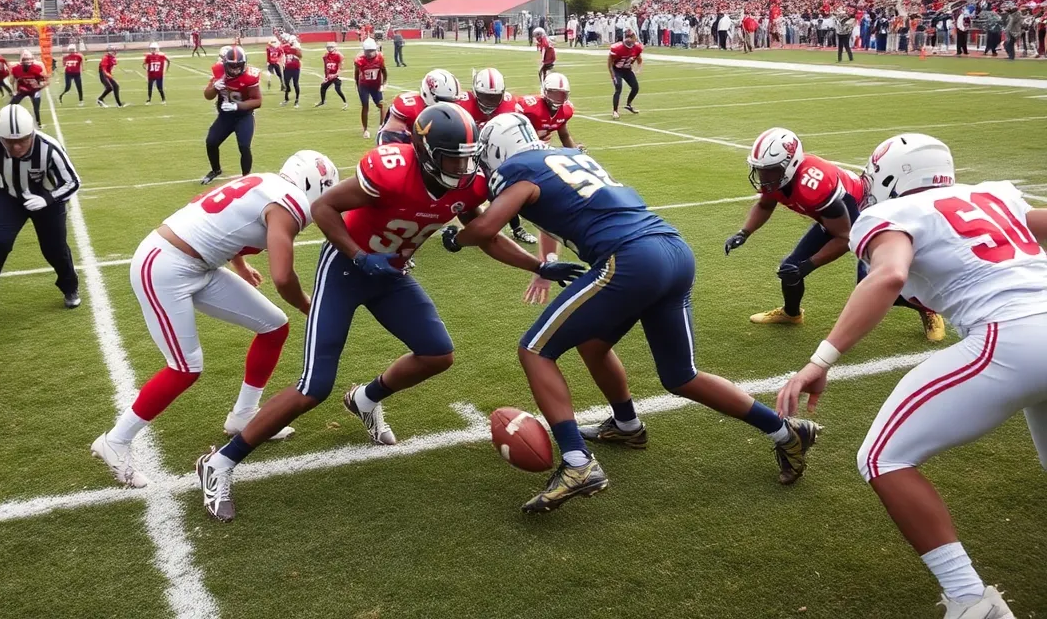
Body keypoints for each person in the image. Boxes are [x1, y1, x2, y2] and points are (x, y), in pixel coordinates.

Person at [195, 103, 557, 522]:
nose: (463, 168)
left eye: (467, 158)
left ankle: (365, 398)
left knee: (437, 353)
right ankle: (220, 462)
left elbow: (486, 236)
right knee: (314, 387)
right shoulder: (391, 169)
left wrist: (538, 265)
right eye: (453, 159)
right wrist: (359, 255)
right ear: (426, 153)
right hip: (346, 269)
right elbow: (324, 207)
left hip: (390, 273)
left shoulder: (469, 185)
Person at [446, 114, 821, 513]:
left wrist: (455, 238)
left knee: (535, 351)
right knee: (670, 371)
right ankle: (782, 431)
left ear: (497, 151)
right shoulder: (566, 157)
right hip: (673, 249)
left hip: (630, 258)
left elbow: (485, 229)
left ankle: (577, 461)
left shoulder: (517, 170)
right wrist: (541, 263)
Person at [777, 133, 1047, 619]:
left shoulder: (891, 214)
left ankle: (970, 601)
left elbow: (889, 276)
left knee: (882, 457)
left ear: (889, 177)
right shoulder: (994, 193)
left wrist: (820, 361)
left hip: (1007, 338)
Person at [92, 150, 339, 488]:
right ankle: (116, 440)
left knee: (273, 326)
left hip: (197, 264)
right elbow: (283, 277)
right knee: (185, 367)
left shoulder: (266, 182)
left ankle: (243, 415)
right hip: (165, 266)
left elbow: (224, 220)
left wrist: (240, 265)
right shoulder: (290, 202)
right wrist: (309, 306)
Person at [725, 127, 945, 341]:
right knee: (789, 269)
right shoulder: (779, 178)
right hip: (833, 219)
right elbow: (765, 205)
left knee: (875, 284)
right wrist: (744, 232)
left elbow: (845, 237)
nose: (763, 176)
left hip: (862, 217)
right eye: (761, 169)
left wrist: (808, 265)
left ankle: (928, 310)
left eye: (770, 170)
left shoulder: (813, 185)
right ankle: (791, 314)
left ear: (790, 164)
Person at [0, 104, 80, 316]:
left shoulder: (49, 147)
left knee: (54, 249)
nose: (17, 146)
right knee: (0, 244)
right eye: (10, 141)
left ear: (32, 133)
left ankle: (70, 286)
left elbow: (73, 181)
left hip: (48, 200)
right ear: (0, 137)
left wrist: (47, 199)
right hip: (10, 197)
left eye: (22, 140)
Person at [456, 68, 535, 246]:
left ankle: (516, 228)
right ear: (476, 93)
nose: (490, 102)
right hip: (466, 153)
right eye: (485, 96)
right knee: (463, 191)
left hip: (494, 154)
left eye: (494, 97)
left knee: (505, 189)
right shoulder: (462, 103)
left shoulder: (509, 105)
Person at [200, 46, 262, 184]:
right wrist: (215, 87)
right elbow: (208, 96)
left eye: (238, 66)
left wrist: (237, 106)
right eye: (232, 66)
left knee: (244, 146)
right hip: (226, 116)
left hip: (243, 116)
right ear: (225, 64)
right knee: (211, 142)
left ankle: (246, 177)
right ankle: (216, 170)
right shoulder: (219, 73)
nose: (235, 70)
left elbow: (258, 101)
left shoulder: (250, 76)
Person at [377, 68, 460, 145]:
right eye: (444, 100)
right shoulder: (409, 108)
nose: (448, 105)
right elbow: (387, 141)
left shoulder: (458, 107)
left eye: (452, 101)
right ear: (427, 93)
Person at [514, 73, 580, 151]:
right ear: (545, 91)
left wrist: (575, 152)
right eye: (554, 94)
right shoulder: (529, 107)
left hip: (541, 149)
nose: (558, 98)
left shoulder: (566, 110)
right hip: (521, 147)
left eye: (562, 95)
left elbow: (564, 135)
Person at [354, 37, 387, 139]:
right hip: (364, 85)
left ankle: (381, 126)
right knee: (365, 106)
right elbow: (356, 74)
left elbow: (384, 71)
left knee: (381, 105)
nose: (370, 53)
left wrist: (383, 84)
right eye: (368, 51)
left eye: (372, 51)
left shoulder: (380, 58)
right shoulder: (359, 60)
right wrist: (357, 85)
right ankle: (365, 129)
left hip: (376, 85)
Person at [607, 29, 643, 119]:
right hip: (617, 70)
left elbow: (639, 59)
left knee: (635, 87)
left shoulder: (637, 47)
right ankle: (615, 111)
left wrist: (638, 69)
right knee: (618, 88)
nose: (632, 39)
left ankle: (628, 104)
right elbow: (609, 62)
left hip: (627, 70)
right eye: (630, 37)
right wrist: (612, 74)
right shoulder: (617, 48)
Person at [10, 49, 48, 128]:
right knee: (11, 106)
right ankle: (10, 122)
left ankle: (39, 124)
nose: (27, 61)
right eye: (25, 59)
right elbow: (12, 81)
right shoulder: (16, 68)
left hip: (32, 90)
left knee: (36, 108)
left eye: (28, 59)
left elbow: (44, 79)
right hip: (24, 90)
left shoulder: (37, 67)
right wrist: (14, 90)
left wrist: (39, 87)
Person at [315, 41, 347, 109]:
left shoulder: (339, 55)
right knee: (323, 87)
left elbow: (340, 67)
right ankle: (323, 101)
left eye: (331, 47)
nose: (329, 49)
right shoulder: (326, 56)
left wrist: (335, 75)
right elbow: (326, 67)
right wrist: (326, 77)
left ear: (334, 47)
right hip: (330, 75)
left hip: (336, 76)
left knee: (338, 89)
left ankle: (345, 102)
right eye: (328, 47)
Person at [279, 34, 302, 108]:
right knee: (286, 84)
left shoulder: (297, 48)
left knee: (296, 84)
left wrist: (297, 49)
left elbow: (300, 56)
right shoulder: (286, 47)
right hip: (287, 68)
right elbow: (280, 49)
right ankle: (286, 99)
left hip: (295, 68)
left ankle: (297, 100)